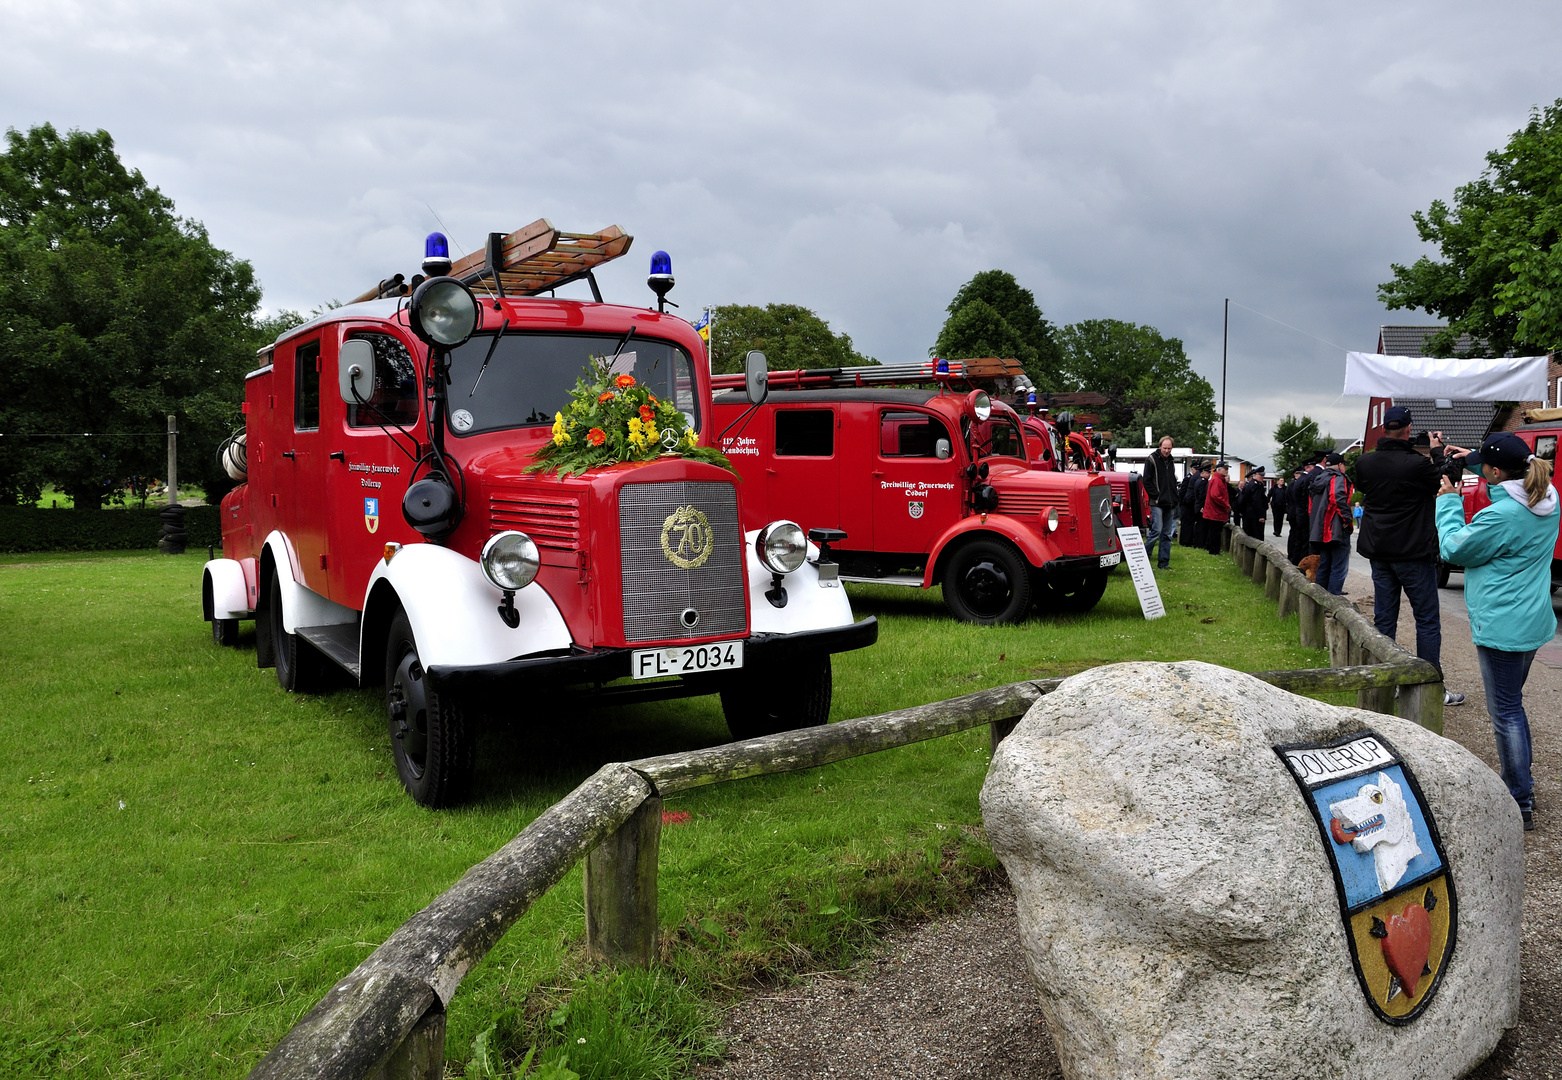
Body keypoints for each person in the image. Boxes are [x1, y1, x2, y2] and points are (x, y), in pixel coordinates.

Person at [1436, 432, 1558, 831]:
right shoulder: (1546, 497)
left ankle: (1518, 799)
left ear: (1493, 472)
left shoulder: (1501, 516)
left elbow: (1454, 548)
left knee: (1506, 712)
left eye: (1484, 468)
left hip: (1502, 624)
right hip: (1531, 619)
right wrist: (1467, 457)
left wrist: (1448, 501)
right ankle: (1524, 786)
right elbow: (1500, 471)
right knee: (1514, 704)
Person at [1355, 405, 1464, 701]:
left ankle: (1384, 683)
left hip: (1380, 549)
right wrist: (1438, 450)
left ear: (1383, 430)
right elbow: (1448, 478)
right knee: (1426, 620)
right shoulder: (1416, 465)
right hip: (1413, 551)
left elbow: (1365, 487)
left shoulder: (1364, 464)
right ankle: (1429, 688)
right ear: (1406, 430)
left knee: (1384, 619)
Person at [1308, 452, 1353, 594]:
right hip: (1336, 529)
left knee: (1324, 565)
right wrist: (1347, 519)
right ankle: (1333, 602)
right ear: (1340, 465)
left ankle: (1320, 601)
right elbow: (1337, 497)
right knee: (1338, 567)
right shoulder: (1338, 478)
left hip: (1321, 530)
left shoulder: (1318, 478)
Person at [1141, 435, 1180, 569]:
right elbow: (1146, 480)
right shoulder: (1151, 460)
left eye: (1169, 448)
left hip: (1169, 503)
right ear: (1160, 447)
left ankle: (1164, 563)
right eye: (1164, 448)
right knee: (1156, 531)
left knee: (1167, 534)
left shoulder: (1171, 462)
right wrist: (1156, 495)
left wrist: (1174, 498)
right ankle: (1143, 557)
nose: (1167, 451)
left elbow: (1172, 482)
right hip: (1157, 502)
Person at [1287, 458, 1321, 566]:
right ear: (1308, 467)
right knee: (1304, 541)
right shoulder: (1305, 480)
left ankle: (1295, 560)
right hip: (1303, 513)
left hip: (1297, 513)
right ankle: (1302, 563)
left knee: (1298, 539)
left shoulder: (1298, 481)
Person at [1202, 461, 1232, 554]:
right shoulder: (1217, 480)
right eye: (1225, 469)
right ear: (1219, 469)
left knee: (1214, 530)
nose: (1227, 471)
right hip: (1215, 511)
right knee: (1215, 531)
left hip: (1215, 511)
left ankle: (1213, 549)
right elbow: (1215, 495)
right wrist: (1226, 505)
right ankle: (1213, 550)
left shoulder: (1218, 479)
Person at [1238, 465, 1268, 540]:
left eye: (1263, 475)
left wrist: (1242, 511)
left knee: (1249, 534)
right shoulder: (1255, 486)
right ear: (1254, 475)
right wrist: (1261, 515)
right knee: (1256, 536)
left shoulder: (1250, 484)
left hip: (1249, 514)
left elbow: (1242, 500)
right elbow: (1257, 502)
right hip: (1254, 515)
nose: (1262, 477)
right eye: (1260, 475)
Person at [1177, 464, 1201, 547]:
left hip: (1188, 503)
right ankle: (1185, 541)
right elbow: (1183, 491)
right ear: (1192, 469)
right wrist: (1183, 502)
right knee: (1186, 523)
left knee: (1189, 523)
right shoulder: (1188, 478)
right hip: (1186, 504)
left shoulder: (1192, 478)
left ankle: (1188, 540)